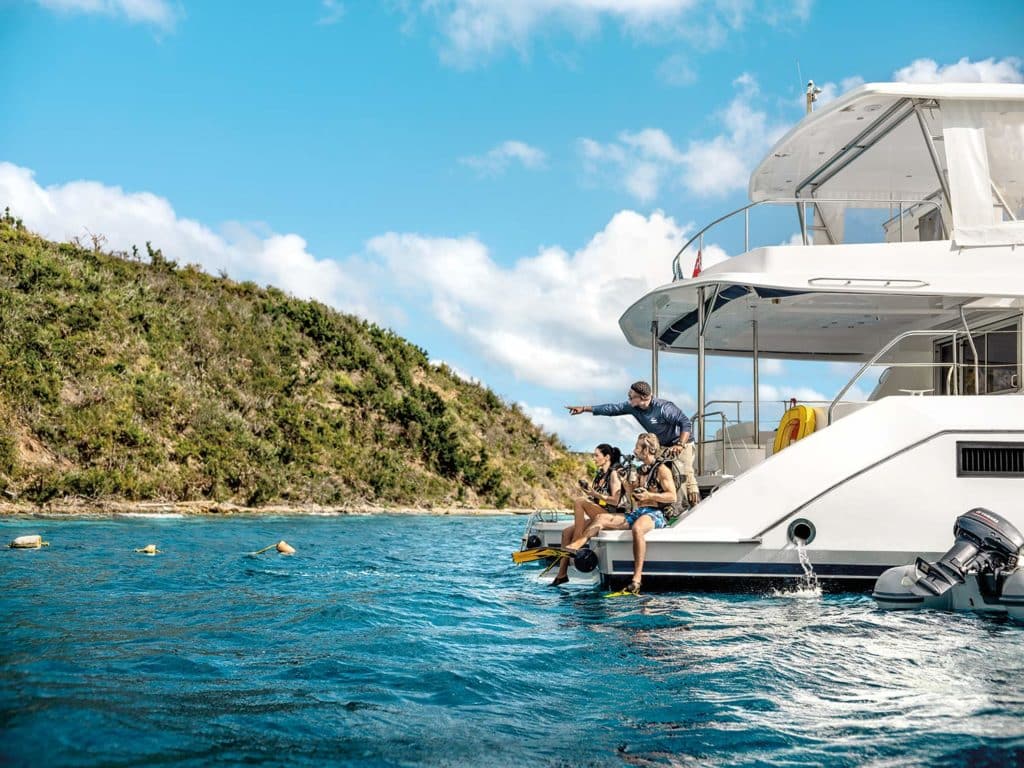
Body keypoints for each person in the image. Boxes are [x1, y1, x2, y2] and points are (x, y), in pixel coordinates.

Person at [550, 433, 675, 595]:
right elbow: (632, 496)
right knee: (600, 518)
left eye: (637, 447)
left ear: (647, 450)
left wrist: (650, 496)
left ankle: (636, 580)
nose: (634, 450)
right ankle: (574, 547)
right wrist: (625, 483)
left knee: (637, 528)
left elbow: (672, 496)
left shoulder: (662, 470)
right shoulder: (638, 471)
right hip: (638, 511)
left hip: (655, 513)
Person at [566, 380, 699, 505]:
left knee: (684, 473)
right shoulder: (633, 407)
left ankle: (693, 504)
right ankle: (664, 508)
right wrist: (584, 409)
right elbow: (612, 409)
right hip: (663, 446)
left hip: (682, 443)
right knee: (655, 471)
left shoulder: (664, 408)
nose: (629, 399)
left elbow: (685, 423)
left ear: (643, 398)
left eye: (631, 396)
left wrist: (680, 444)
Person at [551, 443, 625, 586]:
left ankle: (577, 543)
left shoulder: (613, 474)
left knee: (579, 502)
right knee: (566, 532)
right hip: (599, 512)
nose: (594, 458)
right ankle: (562, 575)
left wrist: (594, 494)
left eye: (597, 455)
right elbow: (597, 498)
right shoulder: (599, 476)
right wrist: (591, 495)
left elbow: (615, 501)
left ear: (607, 457)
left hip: (611, 515)